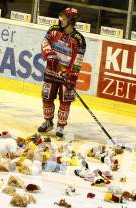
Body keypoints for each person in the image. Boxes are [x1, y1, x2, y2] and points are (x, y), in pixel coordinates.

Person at [38, 7, 86, 139]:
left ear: (71, 21)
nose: (61, 20)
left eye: (64, 18)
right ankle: (48, 122)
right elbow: (45, 42)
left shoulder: (79, 39)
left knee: (65, 101)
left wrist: (72, 76)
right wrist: (49, 54)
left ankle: (60, 126)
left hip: (66, 75)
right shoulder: (54, 29)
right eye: (61, 17)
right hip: (51, 72)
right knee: (46, 97)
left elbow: (78, 60)